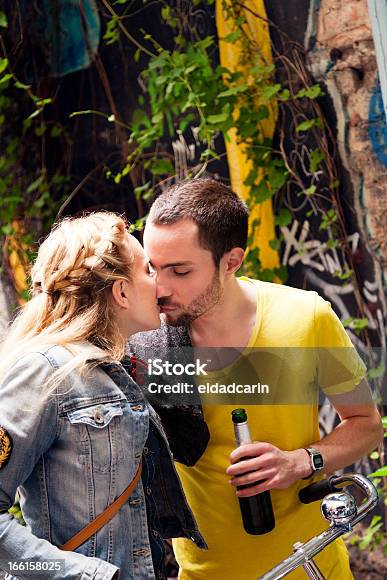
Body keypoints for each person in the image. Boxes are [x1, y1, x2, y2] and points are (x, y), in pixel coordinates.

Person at [129, 179, 383, 580]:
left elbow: (366, 425)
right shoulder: (143, 342)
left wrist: (300, 461)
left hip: (312, 563)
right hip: (204, 574)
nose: (160, 288)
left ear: (231, 261)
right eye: (152, 267)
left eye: (179, 270)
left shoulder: (305, 317)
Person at [0, 212, 206, 580]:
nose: (157, 284)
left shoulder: (117, 367)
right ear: (121, 292)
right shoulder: (45, 369)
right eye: (147, 270)